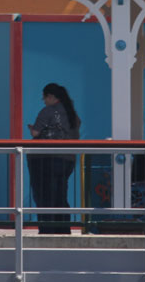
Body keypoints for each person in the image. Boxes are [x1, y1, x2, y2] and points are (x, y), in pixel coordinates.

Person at [27, 83, 81, 235]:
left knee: (45, 197)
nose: (44, 101)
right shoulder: (72, 114)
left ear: (51, 97)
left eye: (44, 98)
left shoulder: (48, 111)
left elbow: (36, 133)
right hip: (67, 160)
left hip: (46, 160)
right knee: (60, 197)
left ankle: (48, 230)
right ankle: (63, 230)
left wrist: (32, 129)